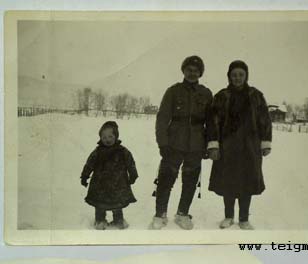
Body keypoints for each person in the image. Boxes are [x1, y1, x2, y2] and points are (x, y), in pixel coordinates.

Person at [207, 60, 272, 230]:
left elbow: (265, 119)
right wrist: (213, 145)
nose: (237, 78)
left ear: (246, 76)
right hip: (227, 147)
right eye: (234, 75)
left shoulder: (256, 95)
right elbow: (213, 122)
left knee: (247, 181)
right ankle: (228, 216)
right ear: (229, 76)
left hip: (250, 147)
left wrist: (265, 142)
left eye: (241, 74)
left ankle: (244, 218)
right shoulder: (221, 96)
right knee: (227, 181)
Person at [151, 55, 213, 230]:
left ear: (200, 73)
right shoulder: (173, 91)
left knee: (190, 181)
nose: (192, 73)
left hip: (196, 145)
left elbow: (211, 121)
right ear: (183, 71)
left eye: (196, 70)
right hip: (174, 143)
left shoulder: (206, 94)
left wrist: (209, 144)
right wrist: (162, 144)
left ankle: (182, 214)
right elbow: (162, 119)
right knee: (166, 179)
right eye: (189, 70)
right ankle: (160, 215)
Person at [80, 121, 138, 230]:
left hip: (118, 184)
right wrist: (84, 176)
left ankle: (119, 221)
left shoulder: (123, 151)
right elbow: (89, 164)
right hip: (100, 185)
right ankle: (100, 221)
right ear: (100, 138)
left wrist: (133, 174)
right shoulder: (97, 152)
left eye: (110, 136)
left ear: (116, 136)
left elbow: (131, 163)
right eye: (104, 137)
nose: (107, 139)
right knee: (100, 204)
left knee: (117, 204)